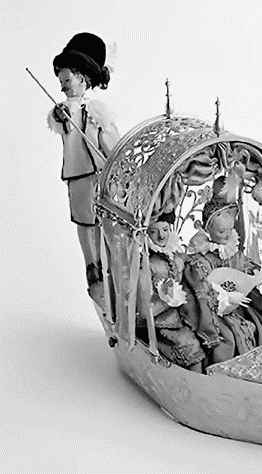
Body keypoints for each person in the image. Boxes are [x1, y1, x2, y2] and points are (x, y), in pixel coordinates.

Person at [180, 176, 262, 366]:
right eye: (221, 232)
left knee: (261, 324)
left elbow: (246, 269)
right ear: (207, 230)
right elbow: (202, 289)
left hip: (239, 305)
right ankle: (228, 369)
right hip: (213, 312)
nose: (226, 236)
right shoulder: (199, 260)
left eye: (229, 230)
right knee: (230, 336)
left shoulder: (232, 251)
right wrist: (227, 298)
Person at [47, 33, 120, 302]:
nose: (63, 87)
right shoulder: (64, 111)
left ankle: (112, 272)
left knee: (104, 223)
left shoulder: (96, 110)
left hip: (100, 176)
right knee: (84, 223)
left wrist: (116, 165)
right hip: (77, 177)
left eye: (67, 80)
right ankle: (93, 269)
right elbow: (57, 121)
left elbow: (112, 145)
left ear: (81, 77)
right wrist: (60, 116)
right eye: (61, 82)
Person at [136, 211, 205, 372]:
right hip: (162, 324)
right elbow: (145, 311)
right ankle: (193, 378)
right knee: (190, 345)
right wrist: (168, 301)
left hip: (187, 315)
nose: (161, 236)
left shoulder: (176, 256)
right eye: (154, 231)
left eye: (165, 230)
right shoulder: (147, 265)